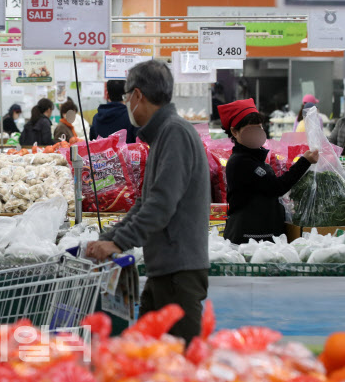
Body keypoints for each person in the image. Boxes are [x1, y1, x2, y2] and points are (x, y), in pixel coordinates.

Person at [86, 60, 210, 344]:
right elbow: (145, 202)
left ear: (137, 95)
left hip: (179, 273)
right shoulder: (164, 133)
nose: (126, 102)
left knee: (182, 362)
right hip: (164, 270)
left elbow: (161, 205)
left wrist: (118, 243)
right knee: (146, 354)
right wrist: (109, 237)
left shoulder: (174, 133)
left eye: (126, 96)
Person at [217, 99, 318, 244]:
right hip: (248, 238)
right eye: (251, 130)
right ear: (234, 131)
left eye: (259, 128)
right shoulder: (241, 162)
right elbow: (277, 187)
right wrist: (305, 161)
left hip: (260, 235)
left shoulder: (253, 157)